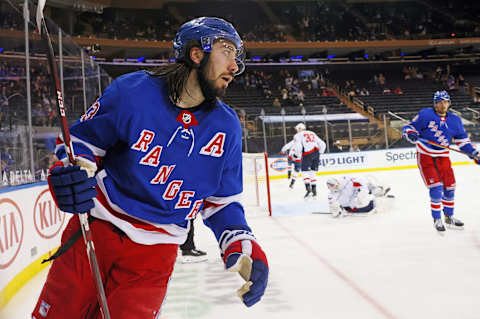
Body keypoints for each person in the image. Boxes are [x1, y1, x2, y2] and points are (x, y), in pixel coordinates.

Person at [32, 17, 269, 319]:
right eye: (227, 51)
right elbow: (83, 142)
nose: (235, 67)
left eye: (237, 57)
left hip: (155, 257)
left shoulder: (227, 127)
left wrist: (241, 242)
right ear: (197, 54)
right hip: (96, 231)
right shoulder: (133, 92)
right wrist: (72, 173)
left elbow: (221, 201)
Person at [402, 90, 479, 232]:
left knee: (450, 187)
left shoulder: (455, 120)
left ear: (449, 103)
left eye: (445, 102)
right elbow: (408, 127)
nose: (443, 105)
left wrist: (473, 153)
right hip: (426, 156)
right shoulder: (425, 114)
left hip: (443, 157)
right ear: (435, 103)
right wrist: (410, 133)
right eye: (440, 102)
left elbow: (462, 142)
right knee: (436, 188)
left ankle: (449, 217)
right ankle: (437, 218)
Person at [326, 176, 392, 217]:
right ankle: (377, 201)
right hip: (353, 204)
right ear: (330, 187)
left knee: (367, 185)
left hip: (358, 192)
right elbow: (333, 208)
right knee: (364, 202)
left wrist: (362, 190)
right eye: (334, 186)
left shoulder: (345, 180)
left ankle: (379, 191)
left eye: (336, 184)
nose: (337, 186)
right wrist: (336, 211)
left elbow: (359, 181)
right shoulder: (332, 196)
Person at [292, 123, 326, 199]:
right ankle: (314, 192)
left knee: (304, 171)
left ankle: (308, 190)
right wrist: (320, 153)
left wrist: (296, 155)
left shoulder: (297, 135)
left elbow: (298, 146)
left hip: (307, 153)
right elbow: (322, 143)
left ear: (299, 129)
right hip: (316, 152)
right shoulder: (312, 132)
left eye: (297, 129)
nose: (296, 131)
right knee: (313, 172)